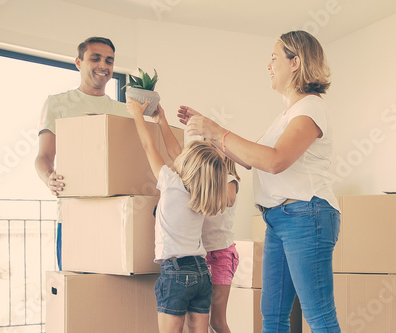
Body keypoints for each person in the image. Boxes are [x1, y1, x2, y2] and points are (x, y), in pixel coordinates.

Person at [178, 30, 341, 332]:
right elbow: (250, 158)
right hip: (279, 219)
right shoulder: (286, 116)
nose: (268, 65)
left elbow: (275, 160)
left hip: (307, 215)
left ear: (296, 62)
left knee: (319, 317)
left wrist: (216, 130)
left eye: (274, 57)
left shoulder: (311, 107)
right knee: (273, 316)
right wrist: (208, 133)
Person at [126, 99, 227, 333]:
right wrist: (161, 120)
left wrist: (137, 115)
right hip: (202, 273)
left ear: (188, 164)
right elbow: (173, 153)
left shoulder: (171, 184)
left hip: (177, 272)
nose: (178, 156)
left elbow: (148, 145)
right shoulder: (203, 194)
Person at [35, 36, 128, 270]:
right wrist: (49, 178)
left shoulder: (123, 112)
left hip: (115, 218)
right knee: (75, 293)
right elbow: (44, 157)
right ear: (79, 62)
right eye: (95, 58)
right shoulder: (57, 103)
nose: (103, 66)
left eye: (109, 60)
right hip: (73, 216)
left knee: (111, 292)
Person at [202, 156, 240, 333]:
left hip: (221, 255)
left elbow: (229, 198)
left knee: (216, 322)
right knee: (202, 321)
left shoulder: (228, 177)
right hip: (200, 254)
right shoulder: (200, 176)